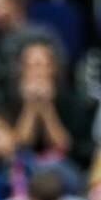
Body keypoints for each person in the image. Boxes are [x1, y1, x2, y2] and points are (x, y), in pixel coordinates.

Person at [5, 40, 97, 171]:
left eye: (40, 65)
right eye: (29, 66)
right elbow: (18, 146)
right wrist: (30, 107)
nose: (36, 72)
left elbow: (63, 146)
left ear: (52, 68)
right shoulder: (9, 98)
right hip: (22, 167)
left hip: (63, 167)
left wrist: (46, 107)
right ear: (21, 69)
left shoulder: (70, 100)